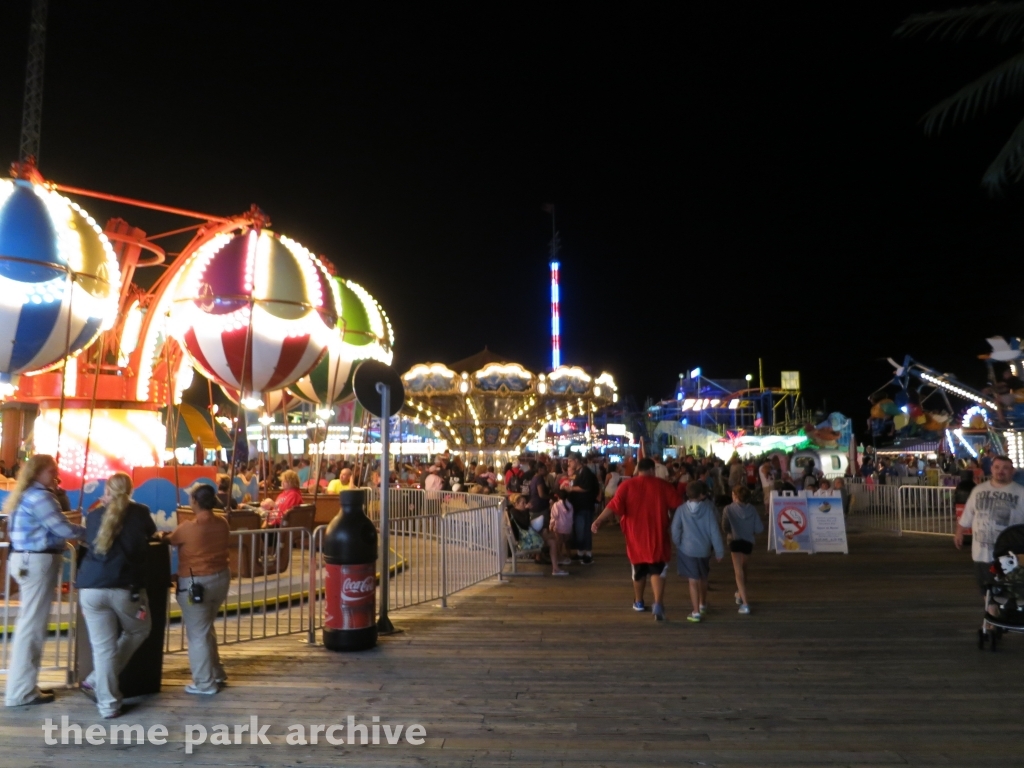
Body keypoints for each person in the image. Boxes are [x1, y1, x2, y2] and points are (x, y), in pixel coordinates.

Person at [3, 455, 85, 707]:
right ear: (39, 472)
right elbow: (62, 528)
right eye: (52, 472)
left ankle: (23, 686)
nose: (56, 477)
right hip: (38, 562)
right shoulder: (41, 497)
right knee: (32, 628)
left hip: (24, 560)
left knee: (30, 625)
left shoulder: (23, 495)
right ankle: (20, 692)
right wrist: (94, 532)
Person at [77, 473, 156, 718]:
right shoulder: (140, 512)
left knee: (103, 649)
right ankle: (94, 680)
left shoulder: (94, 515)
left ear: (107, 490)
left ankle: (108, 705)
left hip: (91, 587)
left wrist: (103, 506)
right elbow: (151, 534)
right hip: (125, 588)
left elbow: (91, 542)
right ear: (131, 490)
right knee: (139, 629)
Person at [591, 458, 680, 620]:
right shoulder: (664, 486)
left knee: (638, 571)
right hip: (657, 534)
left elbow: (613, 505)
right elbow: (678, 506)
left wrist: (599, 520)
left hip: (635, 535)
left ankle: (638, 601)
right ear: (653, 470)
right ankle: (658, 602)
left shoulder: (627, 485)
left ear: (638, 470)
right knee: (657, 569)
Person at [163, 483, 231, 694]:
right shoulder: (222, 523)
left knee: (198, 634)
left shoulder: (187, 528)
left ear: (194, 501)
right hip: (221, 579)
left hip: (195, 584)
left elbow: (169, 540)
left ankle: (204, 683)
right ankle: (216, 672)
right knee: (206, 628)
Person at [954, 455, 1024, 602]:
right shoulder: (978, 490)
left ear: (1012, 471)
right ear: (991, 469)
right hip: (981, 553)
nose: (1001, 471)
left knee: (1009, 591)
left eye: (1005, 468)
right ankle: (991, 619)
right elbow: (968, 514)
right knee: (986, 590)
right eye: (997, 467)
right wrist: (959, 532)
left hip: (1010, 554)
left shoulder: (1021, 493)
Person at [671, 480, 724, 623]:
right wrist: (719, 550)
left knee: (692, 581)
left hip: (687, 549)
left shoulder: (681, 510)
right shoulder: (708, 509)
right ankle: (702, 604)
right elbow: (714, 530)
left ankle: (695, 612)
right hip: (704, 549)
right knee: (703, 577)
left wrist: (678, 543)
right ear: (702, 495)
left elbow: (675, 530)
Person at [722, 486, 764, 615]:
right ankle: (740, 593)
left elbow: (725, 527)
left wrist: (731, 531)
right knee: (744, 569)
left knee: (738, 571)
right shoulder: (752, 509)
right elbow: (759, 528)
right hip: (748, 542)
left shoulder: (728, 509)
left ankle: (745, 603)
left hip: (734, 541)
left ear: (735, 496)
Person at [567, 454, 600, 564]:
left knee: (585, 530)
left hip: (585, 506)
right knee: (579, 530)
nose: (569, 463)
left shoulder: (585, 472)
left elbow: (586, 488)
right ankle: (580, 552)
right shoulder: (578, 472)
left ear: (576, 461)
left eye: (570, 461)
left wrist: (571, 488)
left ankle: (588, 554)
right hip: (578, 506)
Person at [549, 488, 574, 576]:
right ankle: (568, 555)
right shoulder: (570, 505)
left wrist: (551, 526)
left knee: (559, 543)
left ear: (557, 496)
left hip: (559, 527)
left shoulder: (556, 505)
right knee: (566, 542)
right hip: (567, 527)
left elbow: (554, 517)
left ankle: (559, 557)